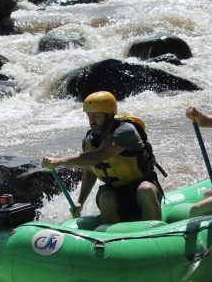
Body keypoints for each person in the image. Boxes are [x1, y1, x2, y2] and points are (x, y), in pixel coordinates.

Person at [42, 91, 164, 224]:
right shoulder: (89, 140)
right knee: (105, 197)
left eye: (96, 116)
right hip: (117, 193)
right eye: (89, 116)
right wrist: (80, 202)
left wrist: (59, 161)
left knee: (145, 190)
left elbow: (99, 156)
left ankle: (156, 233)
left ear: (110, 115)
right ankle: (115, 240)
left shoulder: (126, 131)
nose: (91, 121)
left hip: (142, 187)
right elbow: (91, 170)